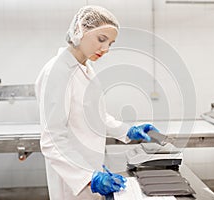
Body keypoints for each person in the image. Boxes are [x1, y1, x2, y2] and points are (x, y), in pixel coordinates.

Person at [35, 5, 160, 200]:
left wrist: (128, 130)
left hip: (90, 169)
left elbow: (99, 117)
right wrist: (88, 176)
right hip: (72, 181)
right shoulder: (57, 72)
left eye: (111, 43)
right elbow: (52, 140)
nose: (106, 49)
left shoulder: (85, 68)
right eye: (101, 39)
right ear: (80, 31)